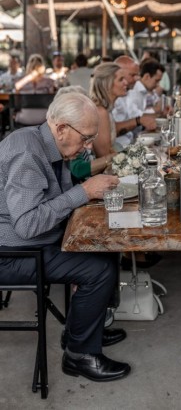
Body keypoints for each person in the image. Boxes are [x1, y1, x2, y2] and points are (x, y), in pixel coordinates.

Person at [0, 92, 130, 382]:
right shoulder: (27, 153)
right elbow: (27, 225)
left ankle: (85, 327)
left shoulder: (47, 142)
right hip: (10, 252)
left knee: (108, 247)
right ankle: (79, 354)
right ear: (61, 129)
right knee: (99, 269)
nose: (87, 147)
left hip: (26, 243)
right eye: (85, 139)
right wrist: (83, 192)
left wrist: (84, 184)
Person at [113, 58, 164, 147]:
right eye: (132, 75)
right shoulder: (110, 101)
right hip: (122, 146)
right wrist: (139, 120)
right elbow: (112, 131)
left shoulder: (126, 94)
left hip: (130, 143)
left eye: (137, 75)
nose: (137, 79)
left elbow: (139, 116)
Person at [14, 53, 55, 126]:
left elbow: (16, 103)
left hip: (25, 117)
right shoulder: (49, 82)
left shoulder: (20, 82)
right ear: (42, 66)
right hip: (44, 118)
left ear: (28, 65)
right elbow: (52, 102)